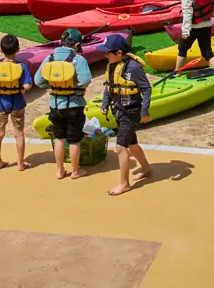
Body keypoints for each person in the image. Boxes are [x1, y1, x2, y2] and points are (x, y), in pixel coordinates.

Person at [34, 27, 92, 180]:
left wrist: (52, 85)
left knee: (60, 138)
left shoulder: (50, 58)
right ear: (77, 45)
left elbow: (38, 81)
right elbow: (85, 81)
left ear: (61, 42)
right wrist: (74, 85)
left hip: (55, 105)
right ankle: (75, 171)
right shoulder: (78, 59)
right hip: (74, 105)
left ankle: (59, 170)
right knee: (74, 140)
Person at [101, 36, 152, 196]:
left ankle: (124, 184)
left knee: (120, 147)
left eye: (108, 53)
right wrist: (105, 103)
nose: (105, 56)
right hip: (118, 110)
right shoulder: (112, 66)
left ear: (119, 52)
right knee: (131, 143)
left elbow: (146, 88)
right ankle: (146, 168)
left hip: (131, 112)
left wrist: (144, 111)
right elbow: (109, 87)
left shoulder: (134, 68)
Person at [0, 34, 31, 171]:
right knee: (18, 133)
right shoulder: (21, 67)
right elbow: (27, 86)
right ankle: (20, 163)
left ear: (1, 50)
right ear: (18, 49)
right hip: (17, 103)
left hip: (0, 102)